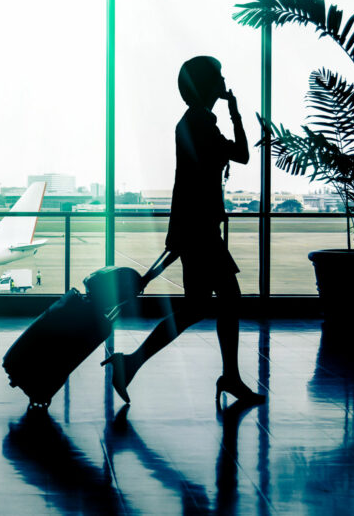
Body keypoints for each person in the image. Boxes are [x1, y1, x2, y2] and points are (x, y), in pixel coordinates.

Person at [101, 56, 265, 408]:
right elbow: (242, 155)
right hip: (201, 231)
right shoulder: (200, 124)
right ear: (207, 84)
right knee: (225, 302)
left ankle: (131, 363)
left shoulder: (195, 122)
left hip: (196, 228)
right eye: (219, 75)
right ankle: (229, 377)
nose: (224, 79)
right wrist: (236, 111)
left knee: (195, 308)